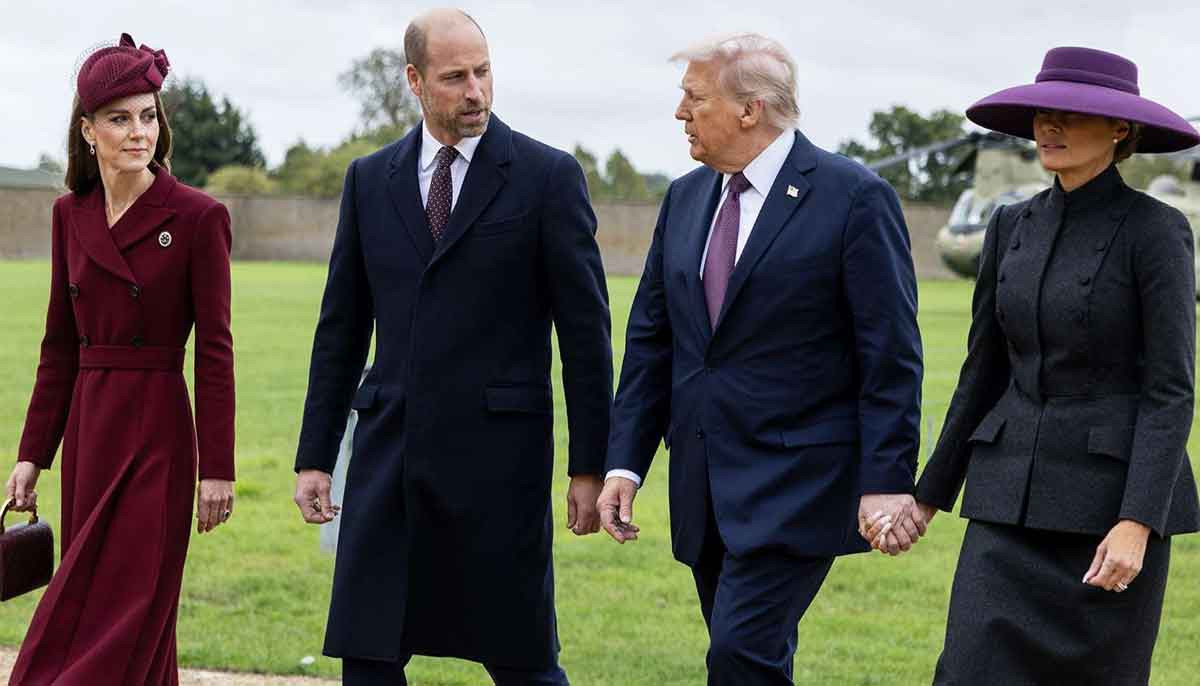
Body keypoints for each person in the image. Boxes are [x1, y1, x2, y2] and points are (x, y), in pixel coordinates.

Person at [291, 9, 612, 685]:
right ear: (414, 80)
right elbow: (341, 330)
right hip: (388, 458)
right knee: (368, 656)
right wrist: (316, 456)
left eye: (484, 72)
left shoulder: (547, 177)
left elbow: (586, 337)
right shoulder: (368, 180)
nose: (476, 91)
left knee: (523, 664)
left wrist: (589, 468)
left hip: (499, 467)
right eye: (455, 77)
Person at [598, 33, 924, 684]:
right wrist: (625, 465)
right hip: (704, 485)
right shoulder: (684, 198)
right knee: (747, 657)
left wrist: (887, 480)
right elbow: (653, 343)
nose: (680, 113)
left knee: (739, 654)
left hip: (799, 483)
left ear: (750, 108)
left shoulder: (853, 197)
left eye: (694, 98)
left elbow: (889, 352)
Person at [910, 46, 1200, 684]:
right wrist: (929, 495)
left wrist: (1137, 522)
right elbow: (983, 372)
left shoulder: (1157, 231)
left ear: (1119, 129)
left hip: (1106, 515)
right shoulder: (1009, 225)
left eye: (1072, 113)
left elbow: (1171, 391)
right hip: (1005, 505)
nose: (1050, 125)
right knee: (966, 672)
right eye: (1043, 112)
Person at [4, 33, 236, 685]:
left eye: (148, 115)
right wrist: (32, 455)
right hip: (90, 432)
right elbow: (58, 346)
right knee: (92, 602)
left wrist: (217, 470)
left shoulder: (198, 216)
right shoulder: (68, 215)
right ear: (88, 130)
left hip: (159, 431)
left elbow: (215, 352)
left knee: (133, 608)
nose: (139, 132)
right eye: (119, 118)